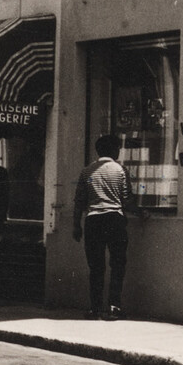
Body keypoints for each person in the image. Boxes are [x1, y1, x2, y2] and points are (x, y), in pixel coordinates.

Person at [72, 132, 134, 319]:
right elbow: (127, 200)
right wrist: (141, 212)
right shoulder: (121, 170)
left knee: (96, 266)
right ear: (114, 150)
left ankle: (95, 308)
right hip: (114, 219)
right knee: (117, 264)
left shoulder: (87, 172)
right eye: (118, 148)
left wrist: (76, 225)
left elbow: (79, 202)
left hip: (93, 220)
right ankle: (114, 306)